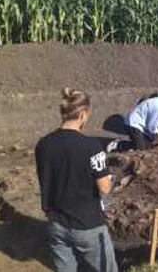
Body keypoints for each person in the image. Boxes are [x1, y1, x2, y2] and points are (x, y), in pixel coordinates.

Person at [35, 88, 118, 272]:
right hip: (88, 224)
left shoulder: (43, 144)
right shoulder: (91, 146)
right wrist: (110, 179)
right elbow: (104, 188)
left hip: (56, 223)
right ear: (82, 114)